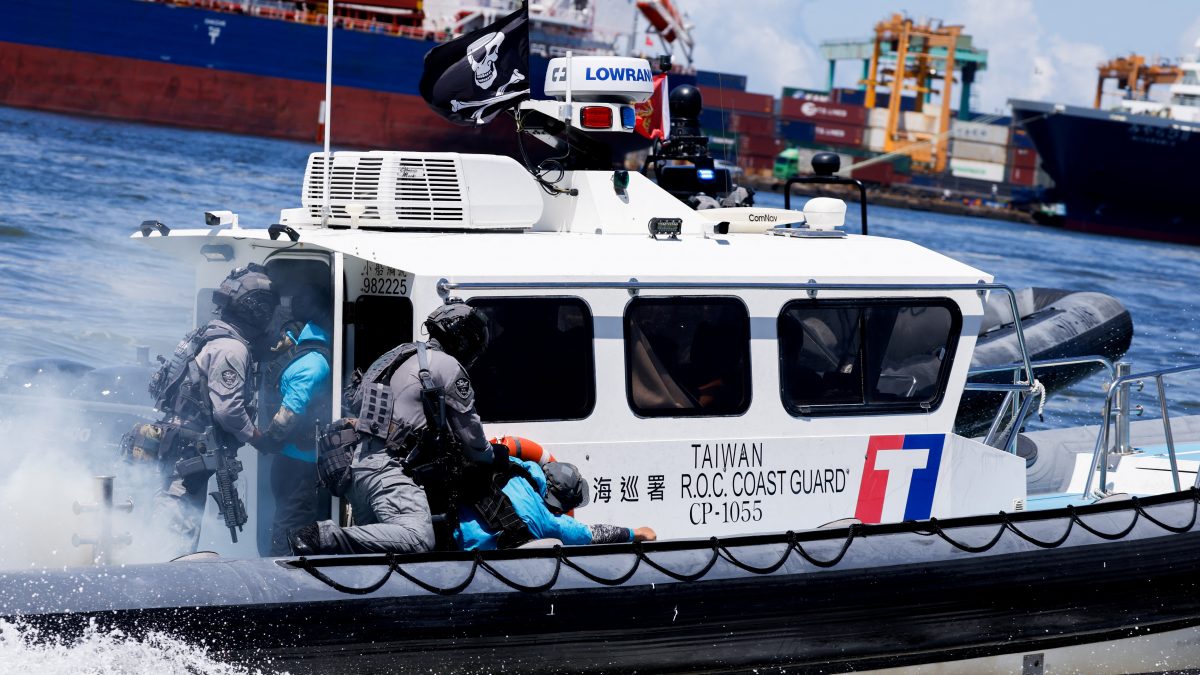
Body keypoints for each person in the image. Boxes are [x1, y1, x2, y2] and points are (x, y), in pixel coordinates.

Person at [289, 300, 497, 555]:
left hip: (359, 469)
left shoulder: (401, 354)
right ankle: (323, 536)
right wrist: (491, 456)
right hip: (390, 473)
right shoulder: (448, 365)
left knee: (382, 559)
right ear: (462, 340)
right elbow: (471, 434)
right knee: (418, 539)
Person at [131, 264, 278, 556]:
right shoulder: (231, 349)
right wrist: (257, 437)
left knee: (166, 517)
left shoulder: (208, 334)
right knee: (176, 531)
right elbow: (229, 410)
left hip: (176, 445)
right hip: (189, 453)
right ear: (257, 310)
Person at [258, 284, 333, 556]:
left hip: (294, 466)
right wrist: (268, 442)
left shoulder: (304, 359)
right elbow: (289, 412)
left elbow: (287, 414)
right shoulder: (313, 360)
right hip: (296, 465)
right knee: (289, 528)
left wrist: (268, 442)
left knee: (288, 528)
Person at [456, 458, 657, 550]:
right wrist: (637, 533)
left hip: (447, 521)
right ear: (560, 506)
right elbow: (593, 534)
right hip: (462, 549)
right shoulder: (549, 522)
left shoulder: (514, 464)